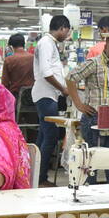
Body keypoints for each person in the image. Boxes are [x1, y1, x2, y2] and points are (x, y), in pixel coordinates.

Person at [66, 31, 109, 183]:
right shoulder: (94, 63)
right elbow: (70, 78)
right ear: (106, 46)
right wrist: (79, 105)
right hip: (95, 120)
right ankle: (89, 198)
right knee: (92, 162)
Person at [31, 14, 73, 187]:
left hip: (47, 95)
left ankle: (34, 175)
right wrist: (63, 88)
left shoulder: (48, 43)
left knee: (43, 135)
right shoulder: (46, 43)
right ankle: (40, 178)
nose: (67, 34)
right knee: (51, 135)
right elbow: (46, 72)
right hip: (46, 95)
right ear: (62, 28)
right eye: (67, 31)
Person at [1, 33, 34, 99]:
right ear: (24, 44)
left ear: (11, 46)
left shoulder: (9, 60)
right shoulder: (33, 58)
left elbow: (5, 83)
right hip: (32, 94)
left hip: (15, 95)